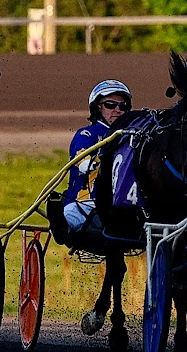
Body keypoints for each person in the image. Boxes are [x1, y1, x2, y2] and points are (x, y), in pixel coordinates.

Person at [52, 79, 133, 253]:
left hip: (122, 206)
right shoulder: (87, 134)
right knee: (71, 218)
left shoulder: (132, 136)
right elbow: (81, 158)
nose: (117, 110)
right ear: (97, 108)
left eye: (123, 106)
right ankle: (60, 226)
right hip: (85, 203)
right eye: (110, 105)